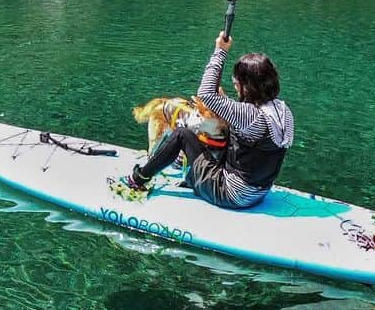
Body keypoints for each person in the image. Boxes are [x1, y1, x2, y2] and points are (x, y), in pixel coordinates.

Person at [121, 34, 294, 209]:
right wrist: (225, 105)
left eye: (236, 84)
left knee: (182, 135)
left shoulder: (248, 115)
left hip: (230, 194)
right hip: (259, 192)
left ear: (248, 87)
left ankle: (138, 179)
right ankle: (183, 169)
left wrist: (221, 50)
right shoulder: (283, 111)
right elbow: (251, 134)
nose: (234, 86)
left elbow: (205, 94)